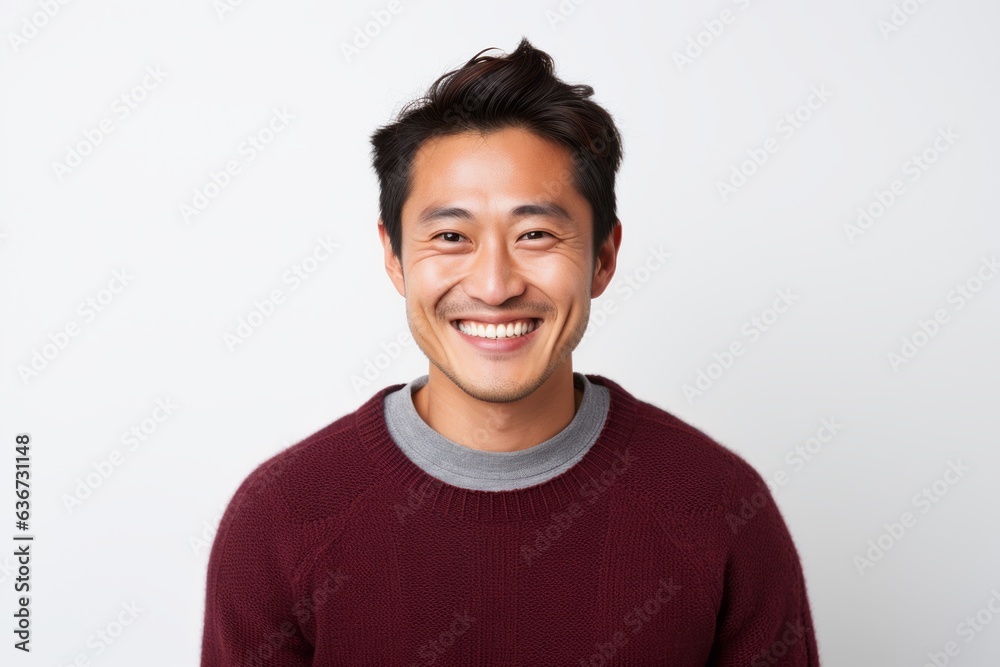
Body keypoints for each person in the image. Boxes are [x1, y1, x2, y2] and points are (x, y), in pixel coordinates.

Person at [201, 37, 820, 665]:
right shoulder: (282, 517)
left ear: (603, 257)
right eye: (451, 235)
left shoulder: (717, 506)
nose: (494, 286)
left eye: (535, 234)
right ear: (394, 257)